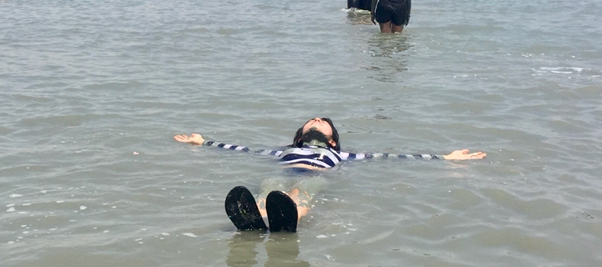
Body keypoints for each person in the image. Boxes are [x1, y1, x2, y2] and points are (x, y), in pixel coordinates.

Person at [174, 117, 485, 232]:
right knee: (268, 188)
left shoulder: (341, 155)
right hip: (283, 171)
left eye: (322, 122)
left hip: (316, 175)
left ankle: (290, 216)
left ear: (333, 140)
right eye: (311, 121)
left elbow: (390, 157)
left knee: (303, 193)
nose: (316, 121)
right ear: (300, 136)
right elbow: (243, 149)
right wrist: (204, 142)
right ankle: (257, 217)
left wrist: (445, 158)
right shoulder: (282, 151)